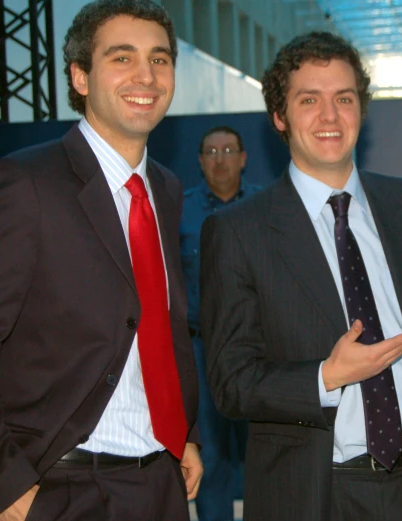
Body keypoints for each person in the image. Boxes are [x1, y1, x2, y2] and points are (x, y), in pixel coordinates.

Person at [199, 31, 402, 521]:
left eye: (344, 99)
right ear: (280, 117)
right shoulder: (238, 231)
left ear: (361, 111)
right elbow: (231, 382)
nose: (330, 116)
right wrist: (328, 377)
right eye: (310, 100)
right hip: (317, 497)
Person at [0, 1, 202, 520]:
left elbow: (159, 326)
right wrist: (1, 487)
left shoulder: (165, 187)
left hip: (159, 481)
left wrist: (182, 432)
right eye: (122, 58)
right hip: (59, 486)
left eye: (160, 59)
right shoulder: (23, 184)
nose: (147, 75)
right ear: (79, 76)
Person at [180, 126, 259, 521]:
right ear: (200, 160)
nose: (220, 158)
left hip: (258, 350)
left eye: (228, 149)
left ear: (243, 158)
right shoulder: (181, 210)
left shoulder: (269, 206)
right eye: (210, 151)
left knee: (264, 455)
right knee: (208, 456)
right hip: (200, 352)